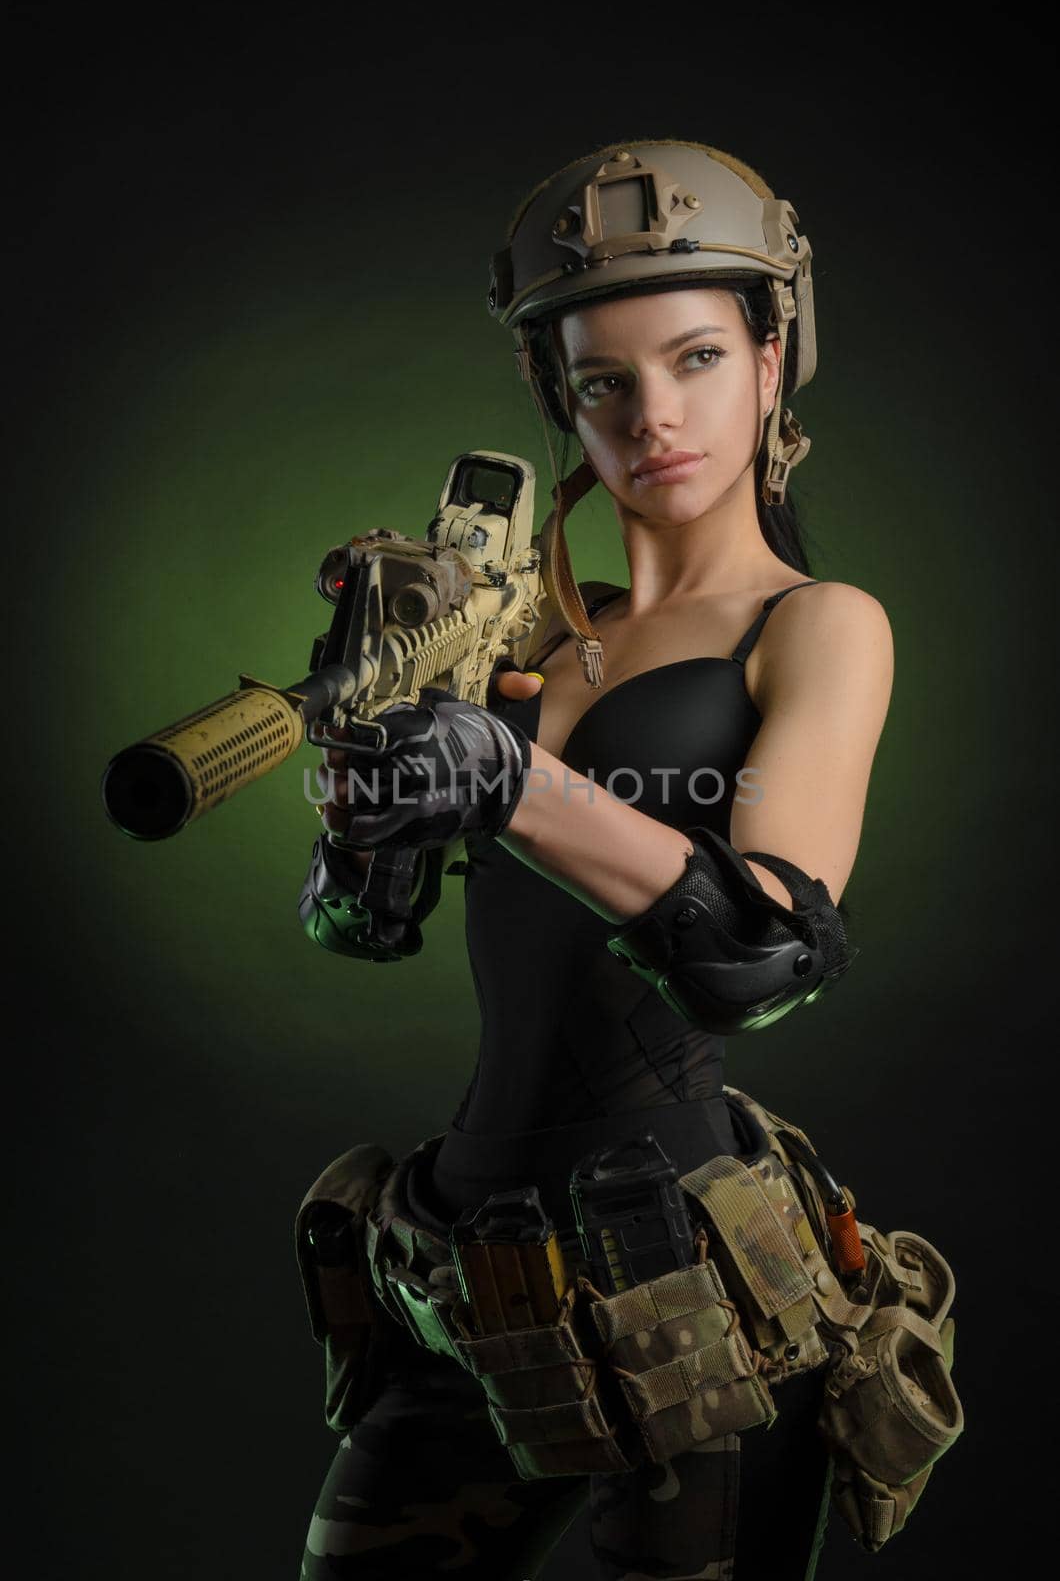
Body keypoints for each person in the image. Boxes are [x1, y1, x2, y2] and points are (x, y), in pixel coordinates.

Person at [296, 140, 894, 1580]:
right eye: (605, 379)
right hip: (464, 1272)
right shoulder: (527, 650)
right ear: (560, 396)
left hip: (691, 1302)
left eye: (695, 357)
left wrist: (511, 780)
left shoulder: (816, 625)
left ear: (774, 357)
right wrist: (362, 793)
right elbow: (356, 933)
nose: (654, 414)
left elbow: (757, 955)